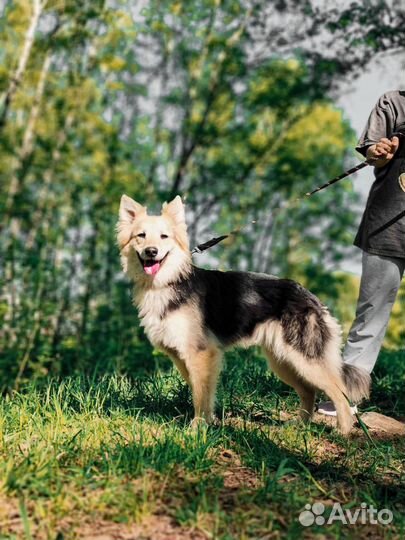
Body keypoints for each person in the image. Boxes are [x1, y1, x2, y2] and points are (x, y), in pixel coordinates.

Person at [318, 90, 405, 416]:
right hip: (388, 229)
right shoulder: (393, 102)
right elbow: (374, 154)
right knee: (371, 315)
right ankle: (342, 397)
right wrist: (379, 150)